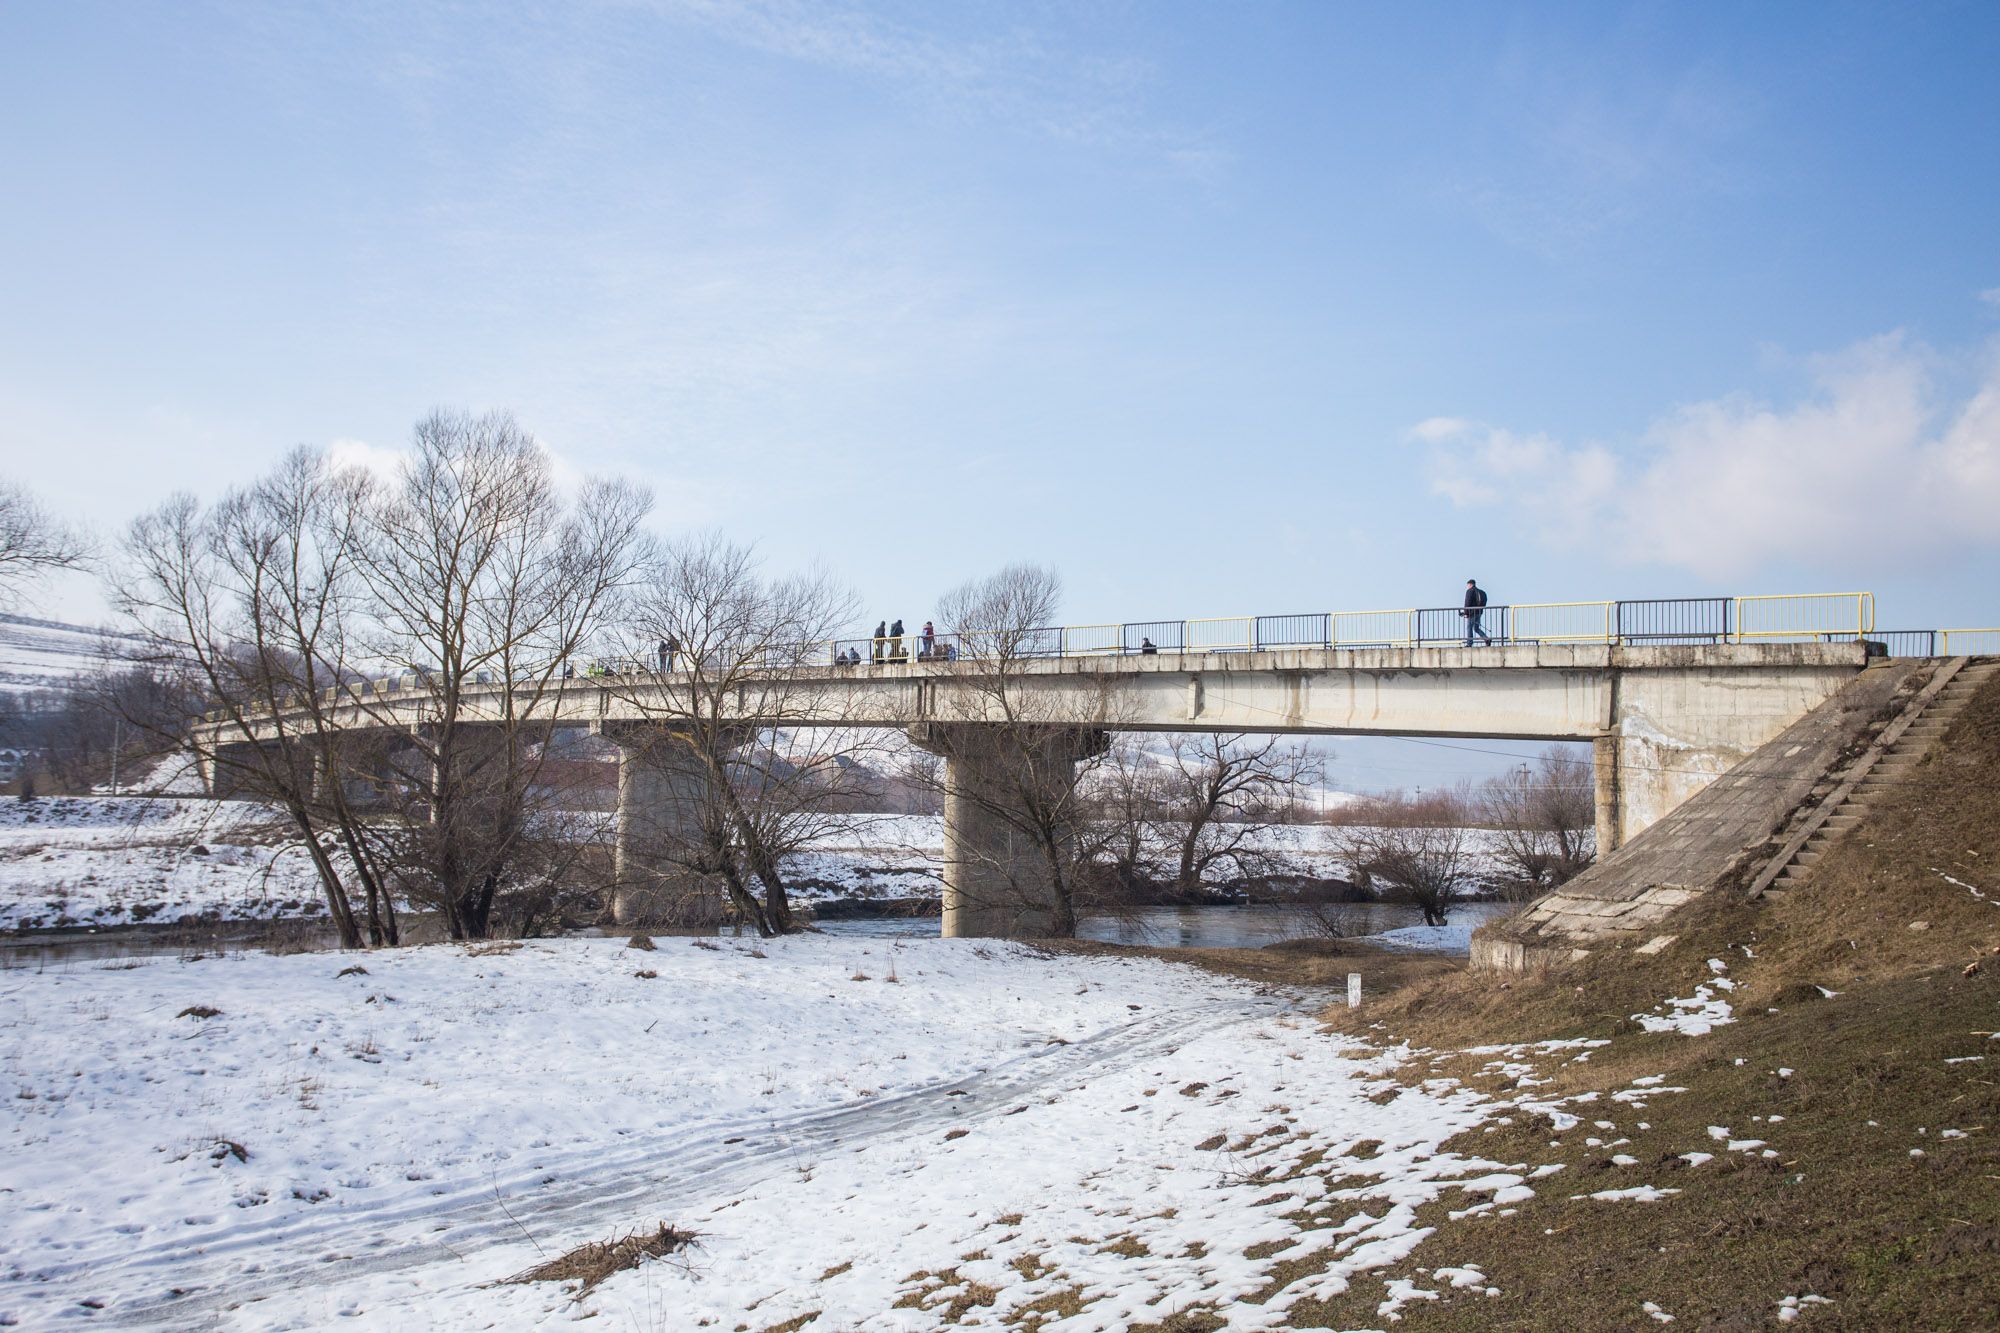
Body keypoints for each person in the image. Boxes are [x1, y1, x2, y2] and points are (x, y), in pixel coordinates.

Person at [1462, 579, 1493, 646]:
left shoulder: (1470, 591)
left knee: (1469, 627)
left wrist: (1466, 613)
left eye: (1468, 585)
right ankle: (1486, 639)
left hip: (1471, 613)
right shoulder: (1481, 592)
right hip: (1479, 612)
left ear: (1470, 584)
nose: (1467, 586)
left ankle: (1469, 643)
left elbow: (1467, 602)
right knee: (1476, 628)